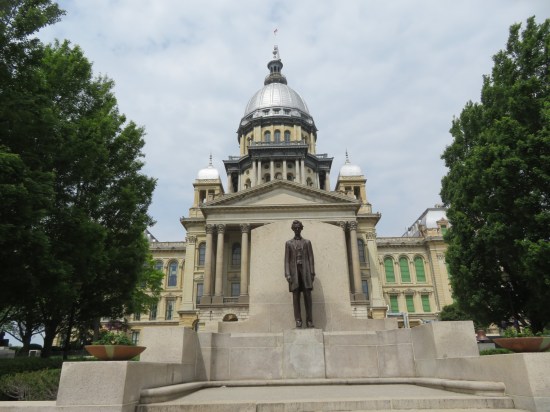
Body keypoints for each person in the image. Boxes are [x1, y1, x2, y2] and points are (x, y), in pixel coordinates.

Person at [284, 220, 315, 328]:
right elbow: (286, 260)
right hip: (294, 273)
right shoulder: (288, 243)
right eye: (295, 228)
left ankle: (310, 320)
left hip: (305, 271)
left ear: (301, 228)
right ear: (293, 229)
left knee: (308, 296)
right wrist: (287, 274)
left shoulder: (307, 242)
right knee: (295, 297)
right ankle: (298, 320)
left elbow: (311, 258)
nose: (297, 229)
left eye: (299, 227)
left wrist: (312, 273)